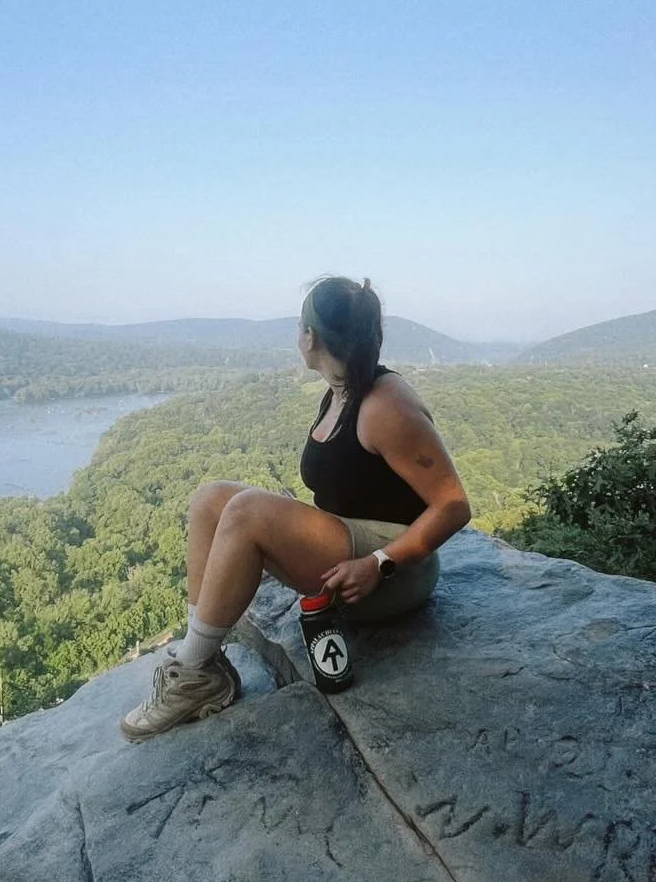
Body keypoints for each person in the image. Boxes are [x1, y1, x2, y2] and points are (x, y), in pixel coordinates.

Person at [121, 275, 471, 741]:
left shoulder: (385, 406)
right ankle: (199, 661)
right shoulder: (343, 388)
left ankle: (192, 674)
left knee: (247, 511)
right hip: (354, 544)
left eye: (299, 326)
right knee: (211, 499)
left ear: (310, 336)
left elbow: (453, 505)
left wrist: (379, 563)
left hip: (393, 572)